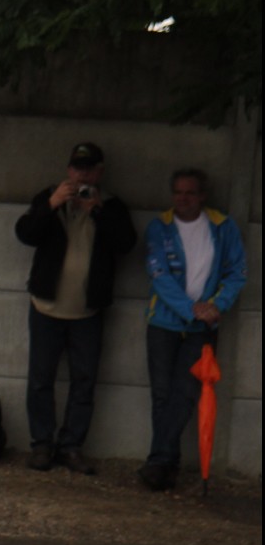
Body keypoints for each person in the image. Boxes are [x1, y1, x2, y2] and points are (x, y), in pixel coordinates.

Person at [13, 141, 137, 474]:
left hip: (88, 312)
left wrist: (96, 209)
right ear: (69, 170)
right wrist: (51, 205)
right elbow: (25, 234)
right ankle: (42, 445)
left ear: (99, 172)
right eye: (77, 168)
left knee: (84, 381)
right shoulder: (49, 197)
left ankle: (71, 447)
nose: (82, 175)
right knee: (41, 379)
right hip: (46, 307)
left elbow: (126, 243)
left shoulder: (111, 206)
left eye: (89, 169)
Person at [137, 168, 248, 491]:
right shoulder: (160, 226)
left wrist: (216, 305)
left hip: (203, 326)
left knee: (185, 393)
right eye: (178, 193)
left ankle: (158, 461)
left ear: (202, 196)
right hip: (164, 323)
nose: (183, 199)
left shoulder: (223, 226)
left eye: (189, 193)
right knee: (161, 394)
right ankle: (164, 464)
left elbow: (236, 273)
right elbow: (159, 276)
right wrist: (190, 309)